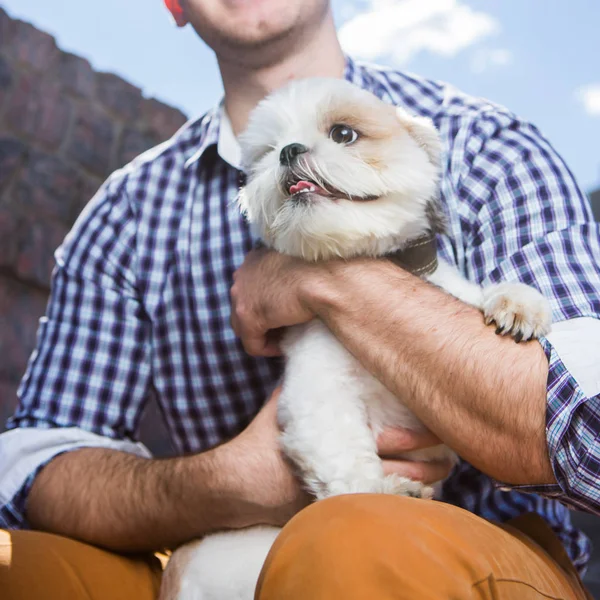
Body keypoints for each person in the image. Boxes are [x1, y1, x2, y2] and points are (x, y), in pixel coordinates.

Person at [1, 0, 599, 598]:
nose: (298, 158)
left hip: (480, 544)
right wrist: (228, 482)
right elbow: (30, 476)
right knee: (16, 566)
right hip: (225, 541)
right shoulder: (125, 213)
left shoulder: (488, 145)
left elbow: (586, 430)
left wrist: (322, 277)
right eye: (272, 154)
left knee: (356, 539)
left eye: (342, 134)